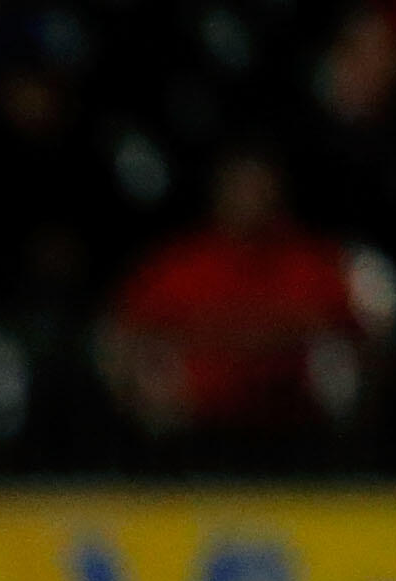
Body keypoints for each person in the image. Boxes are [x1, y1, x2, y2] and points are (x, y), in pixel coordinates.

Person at [104, 152, 381, 436]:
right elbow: (124, 333)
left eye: (261, 188)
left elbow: (357, 339)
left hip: (296, 416)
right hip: (193, 420)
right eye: (241, 188)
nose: (251, 199)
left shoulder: (314, 262)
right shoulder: (179, 263)